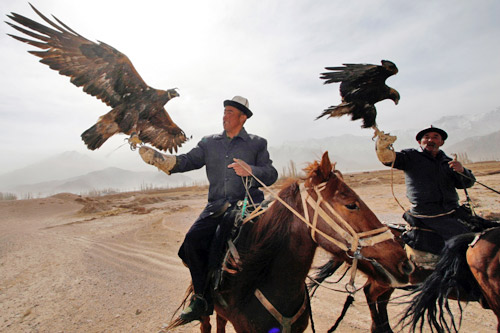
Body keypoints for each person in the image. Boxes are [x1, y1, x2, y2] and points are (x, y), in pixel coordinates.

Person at [139, 95, 278, 322]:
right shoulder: (209, 142)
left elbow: (271, 174)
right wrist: (163, 161)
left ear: (243, 118)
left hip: (250, 204)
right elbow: (187, 161)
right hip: (217, 205)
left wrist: (251, 169)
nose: (225, 116)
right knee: (192, 241)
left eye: (230, 112)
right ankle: (201, 298)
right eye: (224, 112)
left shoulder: (257, 143)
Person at [375, 126, 477, 254]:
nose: (430, 140)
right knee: (463, 241)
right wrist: (382, 147)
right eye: (426, 137)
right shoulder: (410, 157)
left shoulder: (448, 162)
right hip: (427, 214)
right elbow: (388, 159)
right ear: (419, 142)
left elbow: (467, 183)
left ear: (441, 142)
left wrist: (462, 171)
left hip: (453, 210)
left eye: (435, 137)